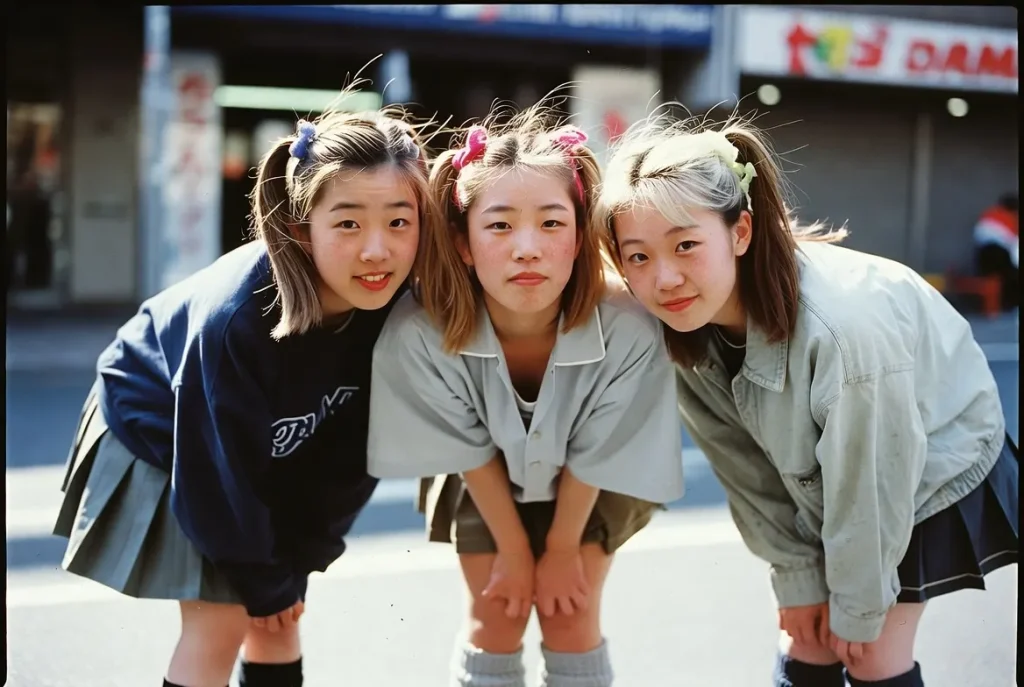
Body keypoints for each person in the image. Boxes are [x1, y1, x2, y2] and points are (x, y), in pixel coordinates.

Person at [595, 112, 1018, 687]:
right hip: (839, 481)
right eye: (638, 257)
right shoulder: (682, 324)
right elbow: (745, 469)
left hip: (929, 459)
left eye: (686, 245)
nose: (664, 278)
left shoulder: (841, 332)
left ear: (740, 232)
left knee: (868, 653)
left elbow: (872, 480)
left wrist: (857, 607)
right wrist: (797, 582)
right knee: (807, 637)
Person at [52, 100, 440, 687]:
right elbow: (215, 475)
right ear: (299, 228)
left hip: (261, 447)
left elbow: (357, 454)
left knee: (279, 620)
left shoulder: (396, 308)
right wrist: (264, 579)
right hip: (166, 423)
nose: (376, 250)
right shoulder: (238, 320)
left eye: (399, 222)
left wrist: (301, 558)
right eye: (348, 224)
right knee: (224, 619)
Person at [367, 106, 684, 687]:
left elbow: (600, 449)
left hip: (595, 479)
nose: (528, 248)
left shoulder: (630, 327)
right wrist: (514, 550)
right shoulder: (420, 333)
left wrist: (561, 549)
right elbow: (466, 449)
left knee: (571, 619)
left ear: (580, 234)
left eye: (552, 223)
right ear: (463, 243)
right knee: (496, 617)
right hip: (480, 475)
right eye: (499, 226)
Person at [973, 193, 1019, 310]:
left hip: (982, 255)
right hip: (999, 254)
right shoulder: (1010, 219)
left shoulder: (988, 214)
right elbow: (1013, 245)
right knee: (1012, 277)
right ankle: (1010, 305)